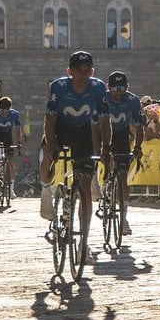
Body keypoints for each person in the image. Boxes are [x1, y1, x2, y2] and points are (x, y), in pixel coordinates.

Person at [40, 51, 110, 265]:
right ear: (69, 72)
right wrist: (52, 145)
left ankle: (84, 243)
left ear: (92, 71)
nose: (83, 75)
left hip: (83, 131)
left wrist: (106, 148)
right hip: (60, 128)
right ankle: (45, 191)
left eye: (87, 70)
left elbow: (105, 121)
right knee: (47, 156)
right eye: (78, 71)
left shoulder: (98, 87)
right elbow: (49, 119)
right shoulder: (59, 87)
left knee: (85, 187)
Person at [103, 71, 144, 236]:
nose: (119, 93)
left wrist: (138, 147)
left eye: (122, 89)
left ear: (127, 87)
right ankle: (104, 182)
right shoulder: (102, 98)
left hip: (121, 133)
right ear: (108, 87)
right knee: (103, 157)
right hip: (103, 130)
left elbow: (139, 126)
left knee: (123, 177)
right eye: (115, 89)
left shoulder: (133, 100)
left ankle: (124, 217)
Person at [0, 97, 23, 193]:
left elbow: (18, 129)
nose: (4, 113)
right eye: (2, 111)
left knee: (10, 161)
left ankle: (11, 188)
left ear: (10, 109)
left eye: (6, 111)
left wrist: (19, 142)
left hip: (7, 135)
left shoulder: (15, 114)